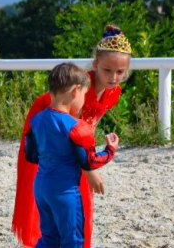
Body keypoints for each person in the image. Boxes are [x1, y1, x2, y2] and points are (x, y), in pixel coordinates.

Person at [12, 25, 132, 248]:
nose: (114, 78)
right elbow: (71, 134)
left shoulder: (113, 92)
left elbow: (86, 128)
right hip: (49, 124)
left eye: (120, 72)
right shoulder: (78, 91)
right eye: (107, 71)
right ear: (95, 65)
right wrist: (90, 169)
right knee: (45, 183)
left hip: (75, 140)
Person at [25, 62, 120, 248]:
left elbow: (31, 155)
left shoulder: (36, 120)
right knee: (74, 240)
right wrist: (110, 150)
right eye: (84, 94)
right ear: (76, 91)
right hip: (65, 191)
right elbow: (91, 161)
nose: (84, 100)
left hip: (41, 187)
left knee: (49, 237)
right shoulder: (78, 127)